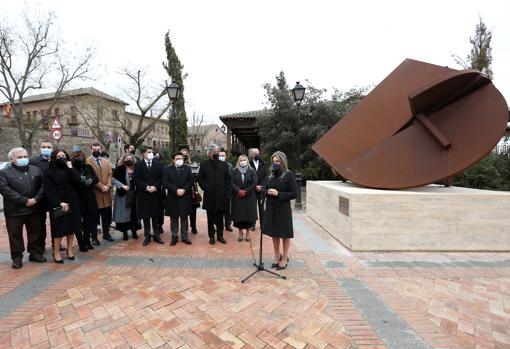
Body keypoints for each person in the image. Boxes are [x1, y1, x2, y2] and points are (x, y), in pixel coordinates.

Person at [0, 147, 46, 269]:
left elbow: (43, 186)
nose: (24, 159)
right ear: (12, 159)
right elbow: (5, 190)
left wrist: (36, 199)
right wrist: (24, 200)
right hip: (14, 210)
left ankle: (35, 253)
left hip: (34, 208)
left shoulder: (36, 170)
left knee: (35, 232)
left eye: (25, 156)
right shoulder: (4, 172)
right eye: (20, 157)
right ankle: (17, 257)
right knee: (15, 235)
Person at [43, 149, 83, 263]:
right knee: (59, 229)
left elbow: (78, 181)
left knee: (72, 227)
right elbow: (48, 188)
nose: (62, 157)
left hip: (72, 200)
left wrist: (70, 167)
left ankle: (69, 249)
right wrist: (59, 202)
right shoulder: (48, 171)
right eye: (59, 156)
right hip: (58, 201)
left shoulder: (69, 168)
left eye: (63, 155)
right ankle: (56, 251)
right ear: (54, 158)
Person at [262, 151, 297, 270]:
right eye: (273, 161)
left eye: (277, 161)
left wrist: (279, 193)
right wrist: (267, 191)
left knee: (284, 235)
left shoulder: (288, 175)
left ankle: (285, 257)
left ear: (282, 161)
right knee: (274, 233)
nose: (275, 163)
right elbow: (264, 189)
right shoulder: (271, 175)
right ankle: (277, 256)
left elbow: (294, 194)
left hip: (283, 210)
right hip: (271, 208)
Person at [198, 144, 231, 245]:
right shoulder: (204, 164)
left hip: (221, 195)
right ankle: (211, 236)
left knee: (220, 218)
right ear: (209, 153)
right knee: (210, 217)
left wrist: (226, 191)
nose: (215, 153)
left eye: (216, 151)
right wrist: (205, 188)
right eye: (213, 151)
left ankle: (220, 235)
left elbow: (228, 179)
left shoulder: (224, 164)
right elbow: (200, 179)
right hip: (210, 195)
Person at [133, 146, 165, 246]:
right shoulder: (138, 165)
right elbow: (136, 179)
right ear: (143, 153)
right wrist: (146, 187)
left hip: (156, 194)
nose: (151, 153)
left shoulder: (158, 164)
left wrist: (155, 186)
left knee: (156, 216)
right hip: (144, 194)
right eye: (149, 152)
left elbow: (162, 178)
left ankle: (156, 235)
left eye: (152, 152)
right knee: (146, 217)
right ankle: (147, 236)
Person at [163, 152, 193, 245]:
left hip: (185, 196)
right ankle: (174, 236)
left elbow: (191, 181)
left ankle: (185, 236)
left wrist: (184, 189)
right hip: (173, 196)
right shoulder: (167, 169)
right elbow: (165, 182)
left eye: (181, 158)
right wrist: (176, 190)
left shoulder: (187, 169)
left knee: (184, 217)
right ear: (173, 160)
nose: (180, 160)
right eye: (177, 158)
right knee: (174, 218)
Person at [71, 150, 99, 251]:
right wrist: (81, 181)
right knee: (78, 222)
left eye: (82, 156)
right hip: (78, 198)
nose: (81, 158)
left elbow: (96, 179)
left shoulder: (88, 167)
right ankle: (81, 243)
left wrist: (90, 179)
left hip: (89, 197)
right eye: (78, 156)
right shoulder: (72, 169)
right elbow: (72, 182)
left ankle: (88, 241)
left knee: (88, 222)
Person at [88, 143, 114, 244]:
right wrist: (101, 186)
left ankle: (106, 234)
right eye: (94, 149)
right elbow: (89, 177)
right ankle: (94, 237)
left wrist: (108, 185)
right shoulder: (87, 161)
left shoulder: (106, 161)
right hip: (95, 193)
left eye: (98, 149)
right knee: (94, 218)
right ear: (91, 149)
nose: (96, 151)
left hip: (106, 193)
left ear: (101, 149)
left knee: (106, 216)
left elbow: (110, 174)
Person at [29, 141, 53, 251]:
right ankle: (41, 244)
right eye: (44, 147)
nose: (46, 149)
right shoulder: (33, 162)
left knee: (56, 221)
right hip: (40, 197)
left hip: (55, 197)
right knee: (40, 223)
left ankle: (56, 242)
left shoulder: (56, 160)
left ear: (52, 149)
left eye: (48, 147)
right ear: (40, 149)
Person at [112, 153, 139, 241]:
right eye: (127, 158)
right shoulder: (120, 169)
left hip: (134, 194)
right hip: (123, 195)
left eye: (131, 158)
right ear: (124, 160)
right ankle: (125, 233)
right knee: (124, 214)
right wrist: (122, 186)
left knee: (134, 214)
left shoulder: (136, 168)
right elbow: (113, 179)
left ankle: (134, 231)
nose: (129, 159)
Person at [230, 155, 258, 242]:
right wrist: (238, 190)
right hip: (238, 196)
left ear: (247, 161)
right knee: (239, 216)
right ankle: (240, 232)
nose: (243, 161)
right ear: (238, 161)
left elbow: (254, 182)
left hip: (249, 196)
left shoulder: (251, 171)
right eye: (241, 160)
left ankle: (248, 232)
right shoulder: (234, 171)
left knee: (248, 215)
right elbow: (231, 182)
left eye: (244, 160)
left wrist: (246, 191)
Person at [181, 148, 200, 235]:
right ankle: (183, 228)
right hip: (181, 189)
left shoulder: (193, 165)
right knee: (182, 210)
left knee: (193, 210)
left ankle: (194, 226)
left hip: (191, 190)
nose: (184, 156)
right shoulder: (177, 165)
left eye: (185, 154)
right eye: (182, 154)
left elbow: (196, 178)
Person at [249, 148, 268, 231]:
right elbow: (248, 176)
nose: (257, 155)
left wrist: (261, 186)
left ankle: (263, 225)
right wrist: (254, 186)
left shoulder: (263, 164)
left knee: (261, 208)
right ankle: (252, 225)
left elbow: (266, 176)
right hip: (252, 189)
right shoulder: (249, 164)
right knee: (252, 207)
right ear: (252, 155)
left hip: (261, 189)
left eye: (258, 153)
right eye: (255, 153)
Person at [218, 149, 234, 232]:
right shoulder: (216, 165)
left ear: (226, 156)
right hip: (218, 192)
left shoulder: (230, 166)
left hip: (227, 191)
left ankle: (228, 224)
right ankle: (218, 225)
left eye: (223, 155)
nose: (221, 157)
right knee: (218, 210)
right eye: (220, 155)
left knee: (227, 209)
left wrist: (230, 190)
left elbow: (232, 179)